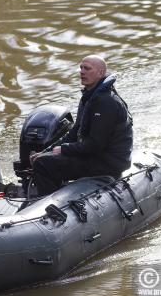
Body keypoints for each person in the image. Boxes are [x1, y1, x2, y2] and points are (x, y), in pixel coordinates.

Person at [31, 55, 133, 196]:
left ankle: (50, 210)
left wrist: (64, 150)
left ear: (100, 73)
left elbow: (95, 145)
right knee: (40, 158)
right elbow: (75, 132)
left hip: (108, 163)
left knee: (43, 164)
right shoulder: (89, 96)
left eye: (87, 68)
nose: (82, 72)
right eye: (81, 67)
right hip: (97, 157)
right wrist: (46, 151)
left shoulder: (106, 102)